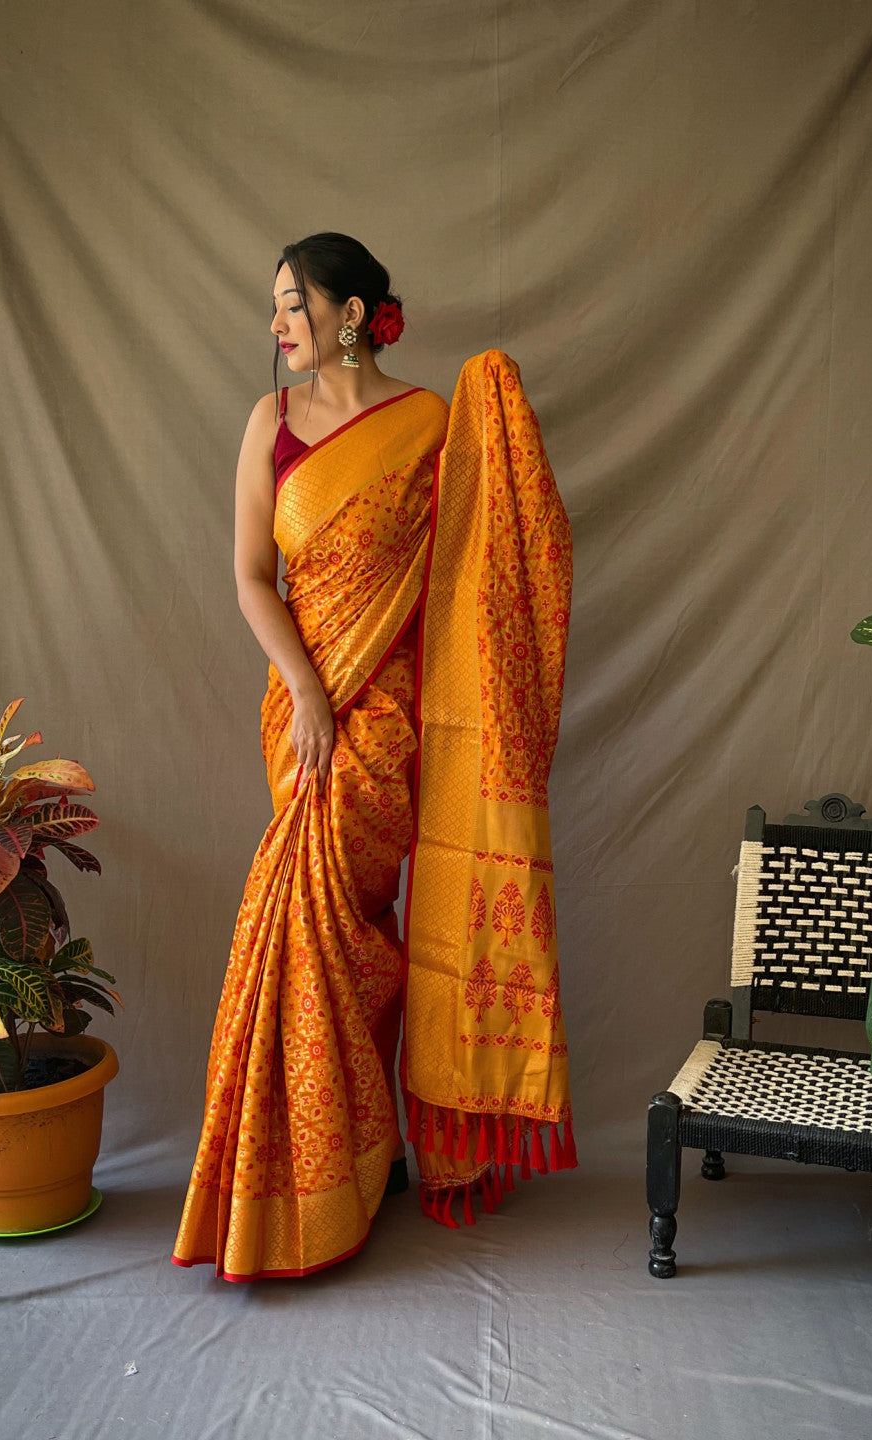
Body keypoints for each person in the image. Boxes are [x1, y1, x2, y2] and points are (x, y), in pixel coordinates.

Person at [171, 233, 574, 1281]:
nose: (277, 328)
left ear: (352, 314)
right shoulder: (270, 424)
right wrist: (306, 687)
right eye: (275, 310)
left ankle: (353, 1163)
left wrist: (498, 413)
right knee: (311, 927)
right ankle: (331, 1168)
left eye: (291, 306)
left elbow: (479, 574)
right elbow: (253, 576)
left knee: (359, 934)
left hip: (392, 723)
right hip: (301, 716)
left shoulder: (431, 423)